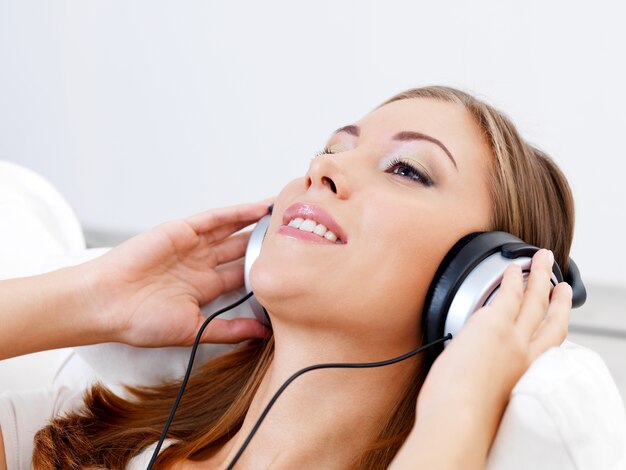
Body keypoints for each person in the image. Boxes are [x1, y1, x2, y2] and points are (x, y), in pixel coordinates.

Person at [0, 86, 577, 469]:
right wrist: (96, 297)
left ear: (480, 284)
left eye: (406, 169)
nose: (322, 167)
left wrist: (465, 398)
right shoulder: (82, 438)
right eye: (329, 148)